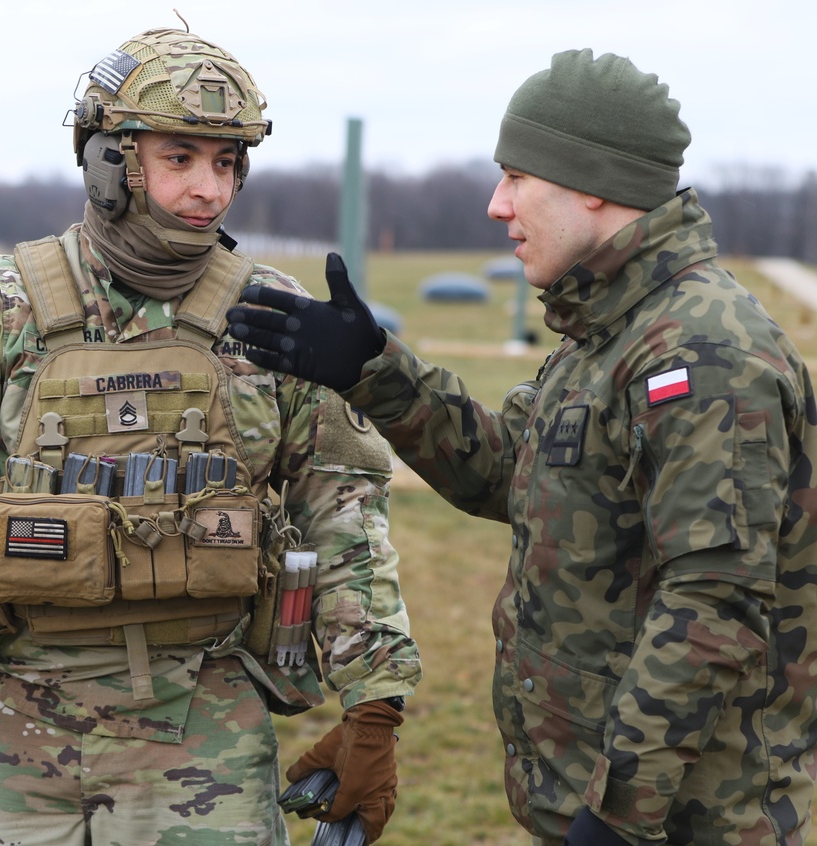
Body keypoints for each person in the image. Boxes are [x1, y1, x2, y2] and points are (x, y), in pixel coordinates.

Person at [0, 24, 420, 846]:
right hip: (27, 726)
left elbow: (346, 516)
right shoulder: (0, 305)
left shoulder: (278, 321)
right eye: (180, 158)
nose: (208, 189)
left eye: (227, 162)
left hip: (207, 722)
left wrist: (375, 703)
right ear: (112, 162)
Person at [226, 48, 817, 846]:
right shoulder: (607, 331)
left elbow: (711, 606)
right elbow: (513, 473)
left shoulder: (702, 352)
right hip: (603, 804)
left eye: (516, 177)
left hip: (683, 821)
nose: (498, 205)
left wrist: (614, 818)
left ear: (592, 182)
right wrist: (372, 368)